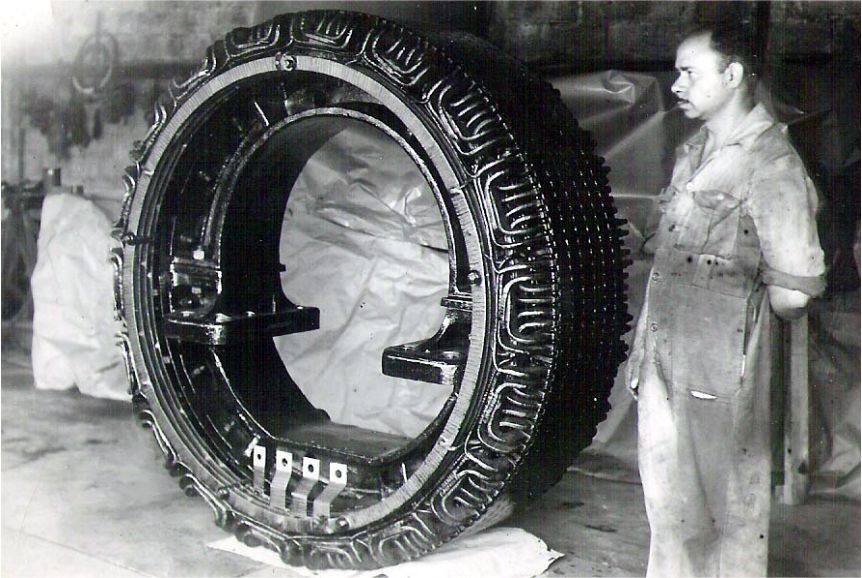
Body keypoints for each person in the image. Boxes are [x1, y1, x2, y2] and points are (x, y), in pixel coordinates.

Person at [625, 24, 826, 577]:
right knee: (668, 507)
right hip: (663, 355)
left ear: (733, 75)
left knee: (723, 510)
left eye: (689, 72)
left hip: (721, 366)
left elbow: (793, 293)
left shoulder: (771, 163)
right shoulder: (693, 152)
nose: (676, 85)